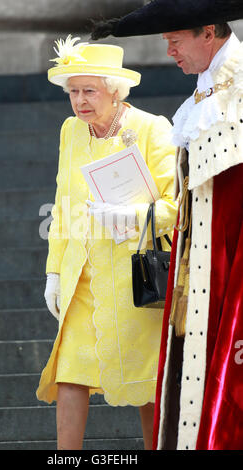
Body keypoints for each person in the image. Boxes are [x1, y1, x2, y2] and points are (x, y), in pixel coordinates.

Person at [91, 0, 243, 451]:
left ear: (208, 34)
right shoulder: (205, 88)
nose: (171, 51)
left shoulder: (238, 86)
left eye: (175, 40)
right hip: (201, 256)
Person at [36, 34, 177, 450]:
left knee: (147, 381)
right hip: (84, 277)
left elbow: (175, 208)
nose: (79, 101)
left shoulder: (152, 129)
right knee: (70, 371)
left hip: (135, 279)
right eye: (73, 92)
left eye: (89, 91)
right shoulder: (71, 132)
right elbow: (62, 202)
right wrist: (54, 272)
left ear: (115, 93)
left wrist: (130, 216)